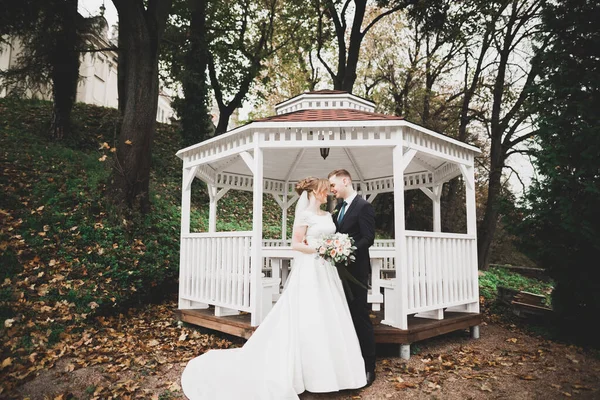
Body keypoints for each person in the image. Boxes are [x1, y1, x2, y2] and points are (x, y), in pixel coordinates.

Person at [180, 177, 366, 399]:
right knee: (308, 316)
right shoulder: (305, 215)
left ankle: (336, 374)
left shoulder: (328, 215)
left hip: (327, 271)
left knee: (330, 314)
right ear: (315, 192)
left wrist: (335, 246)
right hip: (310, 269)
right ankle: (308, 374)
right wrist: (320, 248)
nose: (327, 194)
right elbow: (296, 244)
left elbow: (332, 237)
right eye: (324, 191)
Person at [328, 169, 377, 387]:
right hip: (338, 271)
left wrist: (347, 250)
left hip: (356, 271)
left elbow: (368, 237)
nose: (332, 189)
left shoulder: (363, 206)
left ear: (345, 180)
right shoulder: (339, 208)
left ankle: (369, 366)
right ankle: (350, 362)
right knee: (343, 316)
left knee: (359, 316)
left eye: (333, 184)